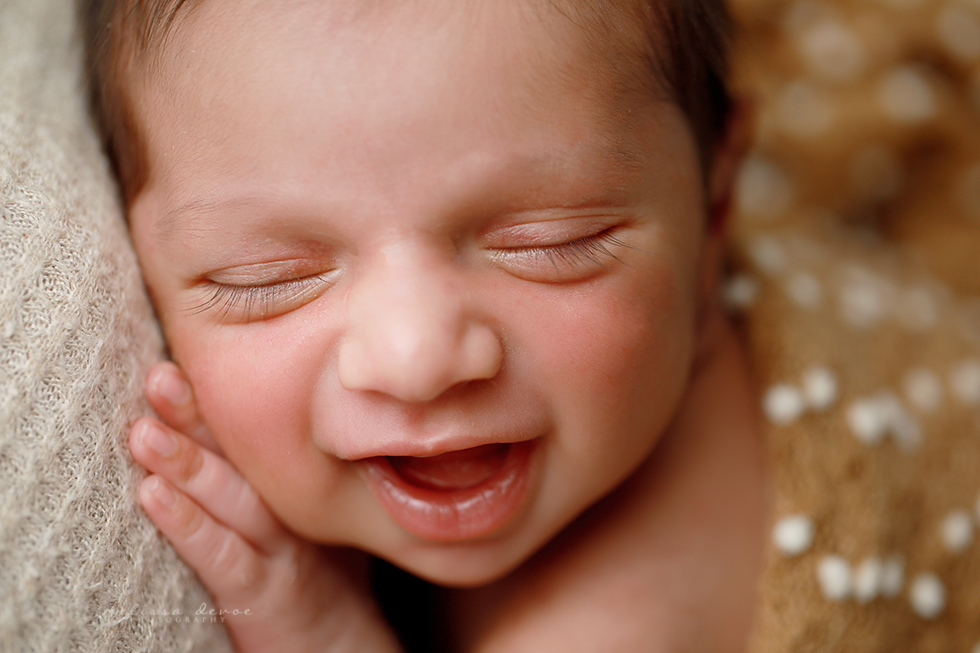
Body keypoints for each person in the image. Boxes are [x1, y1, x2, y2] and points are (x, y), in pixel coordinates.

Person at [80, 0, 770, 650]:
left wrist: (330, 637)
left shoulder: (627, 620)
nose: (416, 358)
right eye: (268, 277)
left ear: (715, 205)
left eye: (549, 241)